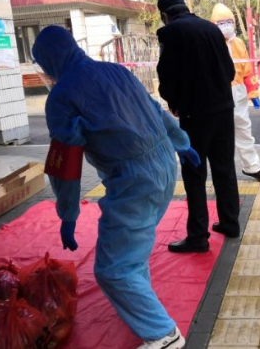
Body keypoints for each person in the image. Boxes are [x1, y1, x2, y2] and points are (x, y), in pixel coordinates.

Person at [33, 26, 198, 349]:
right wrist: (181, 143)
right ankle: (142, 309)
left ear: (48, 60)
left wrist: (67, 213)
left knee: (114, 269)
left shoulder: (62, 97)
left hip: (133, 181)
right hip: (164, 165)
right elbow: (154, 109)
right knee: (131, 253)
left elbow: (65, 162)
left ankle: (164, 336)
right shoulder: (115, 70)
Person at [156, 0, 241, 253]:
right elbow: (229, 71)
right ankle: (230, 223)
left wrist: (173, 101)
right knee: (224, 168)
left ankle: (197, 237)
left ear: (164, 14)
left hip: (195, 114)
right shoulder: (212, 29)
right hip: (224, 110)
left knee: (194, 174)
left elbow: (166, 75)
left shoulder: (169, 33)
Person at [210, 3, 260, 183]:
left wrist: (253, 93)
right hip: (218, 92)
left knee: (243, 130)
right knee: (220, 135)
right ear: (213, 24)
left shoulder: (239, 43)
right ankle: (224, 172)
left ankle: (252, 167)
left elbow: (247, 70)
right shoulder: (209, 43)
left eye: (229, 22)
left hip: (239, 91)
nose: (226, 26)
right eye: (221, 23)